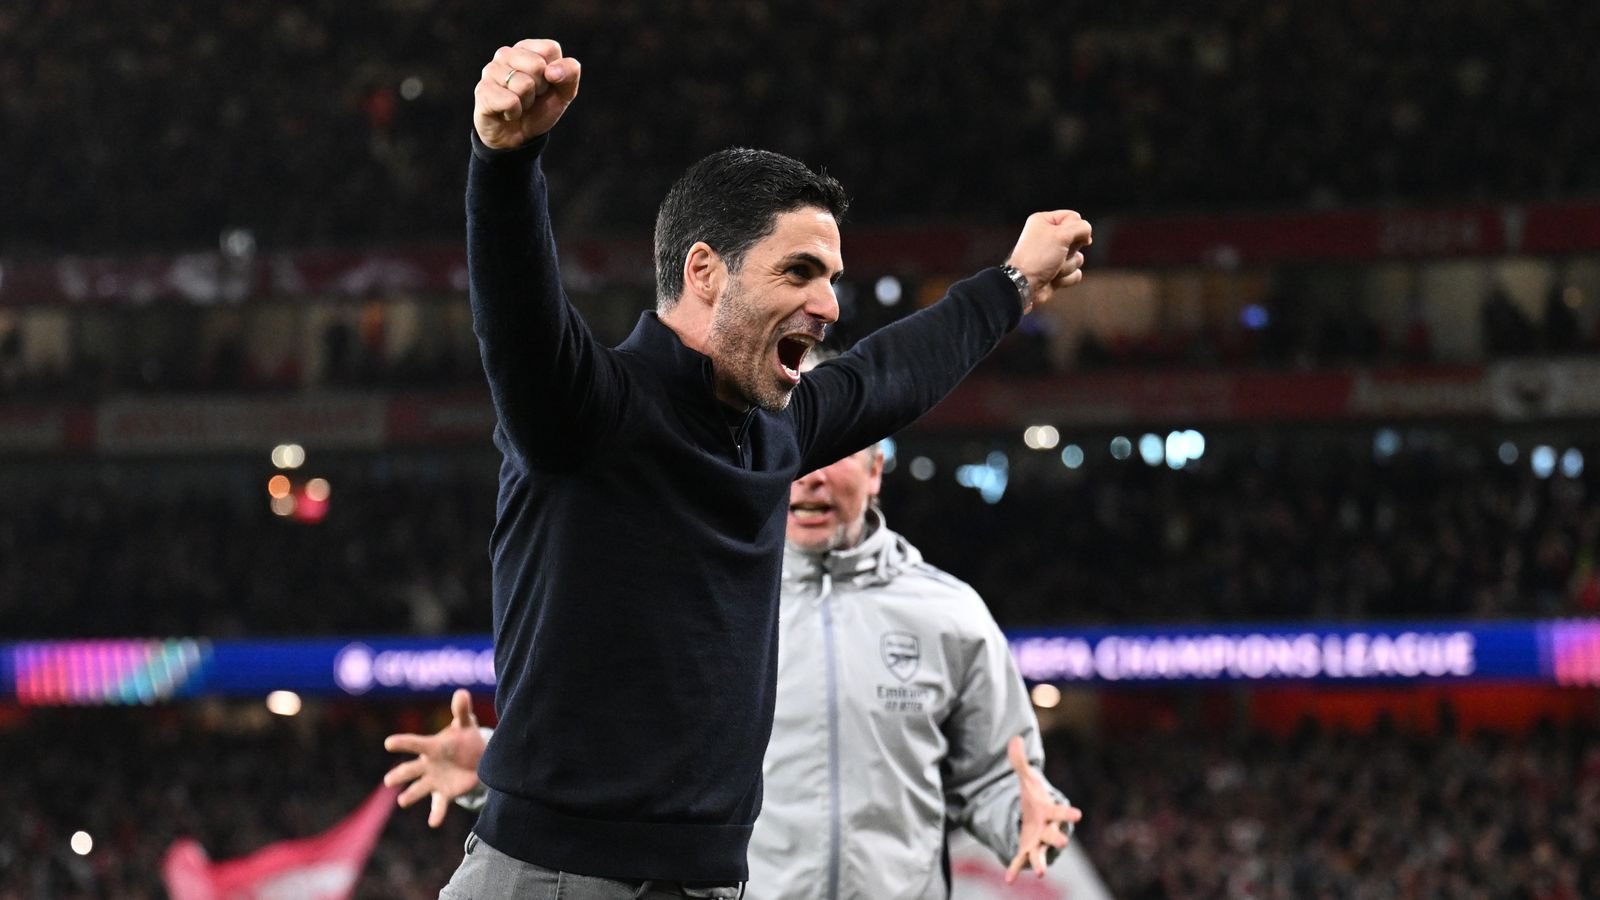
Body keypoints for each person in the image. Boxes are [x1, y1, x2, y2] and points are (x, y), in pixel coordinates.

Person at [446, 36, 1091, 899]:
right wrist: (505, 159)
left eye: (830, 278)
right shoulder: (585, 411)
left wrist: (1012, 282)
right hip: (559, 879)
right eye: (800, 272)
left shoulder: (769, 434)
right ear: (706, 273)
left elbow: (892, 373)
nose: (828, 305)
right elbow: (516, 312)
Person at [387, 440, 1081, 898]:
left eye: (839, 454)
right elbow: (619, 755)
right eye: (796, 454)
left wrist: (1018, 814)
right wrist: (495, 765)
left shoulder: (950, 616)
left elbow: (998, 774)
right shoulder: (699, 600)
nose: (810, 475)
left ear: (875, 469)